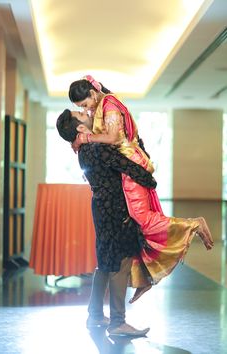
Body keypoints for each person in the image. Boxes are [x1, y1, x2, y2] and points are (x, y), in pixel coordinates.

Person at [68, 75, 214, 303]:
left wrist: (85, 138)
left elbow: (114, 137)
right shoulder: (105, 104)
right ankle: (145, 278)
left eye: (84, 105)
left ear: (93, 94)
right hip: (130, 166)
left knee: (142, 218)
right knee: (137, 227)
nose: (86, 111)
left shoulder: (109, 105)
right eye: (81, 110)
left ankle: (193, 224)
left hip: (131, 166)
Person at [56, 108, 157, 337]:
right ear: (81, 127)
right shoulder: (96, 148)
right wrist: (150, 179)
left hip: (101, 208)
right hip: (115, 209)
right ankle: (118, 322)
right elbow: (128, 166)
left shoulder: (83, 149)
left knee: (104, 263)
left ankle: (95, 315)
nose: (85, 112)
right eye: (80, 114)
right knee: (119, 264)